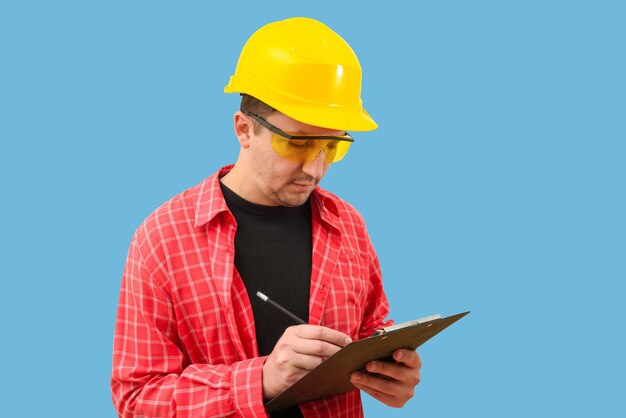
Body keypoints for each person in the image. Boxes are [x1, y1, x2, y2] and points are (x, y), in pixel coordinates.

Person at [111, 17, 421, 418]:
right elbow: (137, 400)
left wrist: (391, 372)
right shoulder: (162, 239)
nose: (315, 168)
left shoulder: (348, 224)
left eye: (332, 145)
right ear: (244, 129)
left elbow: (372, 332)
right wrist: (261, 379)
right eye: (296, 143)